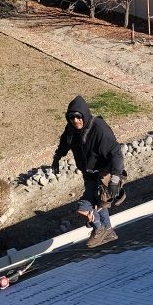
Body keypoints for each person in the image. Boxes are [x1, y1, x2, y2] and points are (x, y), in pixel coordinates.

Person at [52, 95, 124, 248]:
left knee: (84, 207)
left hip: (104, 173)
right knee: (100, 203)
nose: (75, 120)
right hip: (88, 173)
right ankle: (109, 231)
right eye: (71, 117)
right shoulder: (71, 130)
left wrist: (115, 179)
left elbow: (116, 153)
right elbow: (64, 144)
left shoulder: (99, 128)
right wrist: (57, 158)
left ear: (84, 114)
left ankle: (98, 228)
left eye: (78, 117)